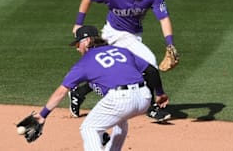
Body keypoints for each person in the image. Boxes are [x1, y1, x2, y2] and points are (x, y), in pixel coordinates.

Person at [69, 0, 179, 121]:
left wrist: (170, 43)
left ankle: (78, 93)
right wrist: (79, 22)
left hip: (134, 36)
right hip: (113, 33)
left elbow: (164, 19)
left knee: (118, 71)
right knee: (149, 64)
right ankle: (152, 106)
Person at [33, 25, 169, 151]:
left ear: (86, 42)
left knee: (89, 128)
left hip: (121, 99)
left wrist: (43, 115)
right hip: (144, 98)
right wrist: (160, 93)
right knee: (120, 122)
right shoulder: (121, 50)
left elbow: (61, 91)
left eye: (78, 44)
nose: (77, 48)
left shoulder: (84, 62)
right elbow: (151, 71)